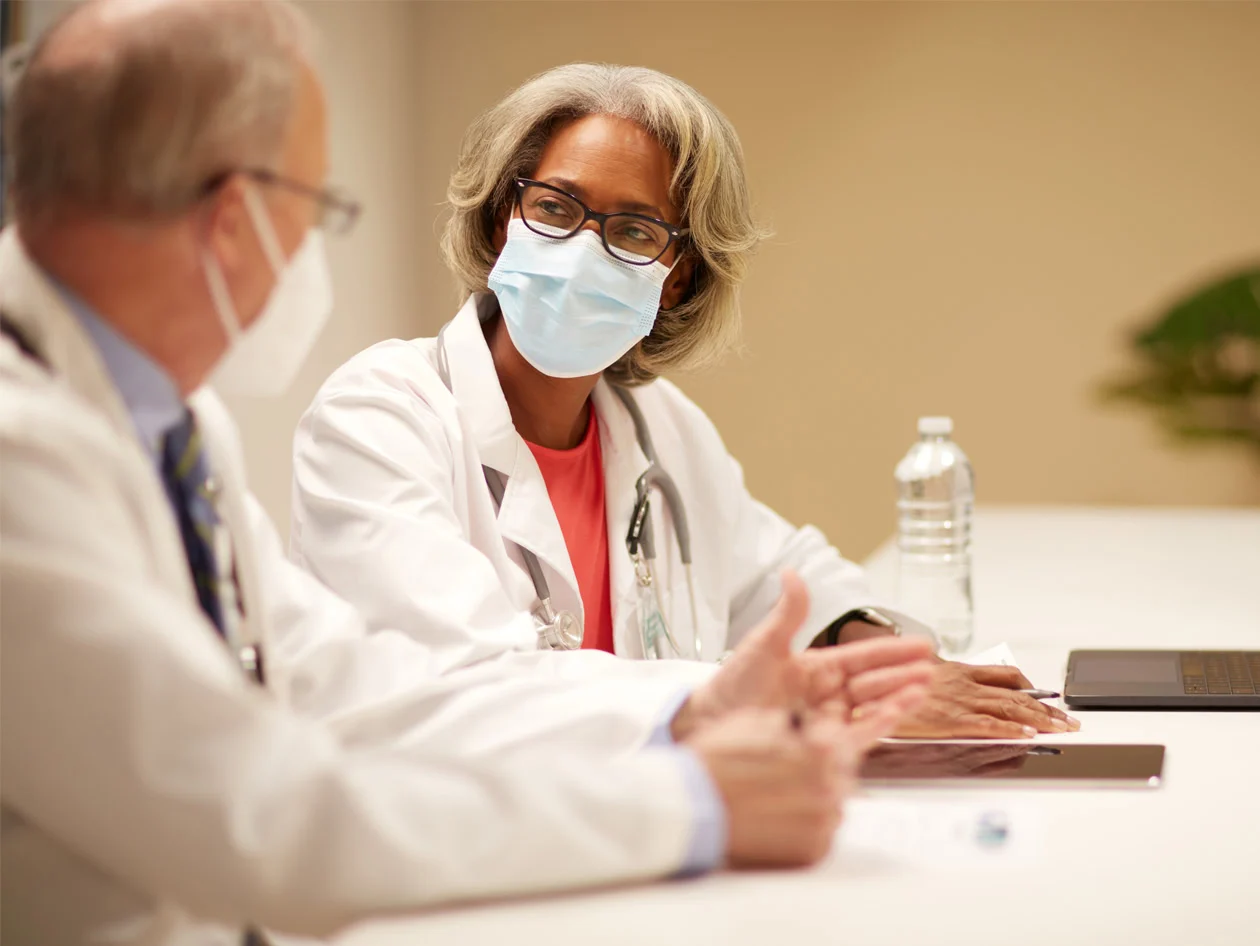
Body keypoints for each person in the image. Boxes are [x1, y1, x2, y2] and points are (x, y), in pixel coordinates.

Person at [0, 3, 935, 944]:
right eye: (318, 208)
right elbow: (266, 822)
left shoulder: (165, 422)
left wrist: (695, 703)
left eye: (637, 232)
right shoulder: (21, 457)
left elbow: (369, 683)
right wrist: (688, 804)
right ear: (237, 220)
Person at [290, 62, 1079, 740]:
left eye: (633, 231)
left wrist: (879, 661)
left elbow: (783, 581)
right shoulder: (380, 418)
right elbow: (476, 689)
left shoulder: (661, 431)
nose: (581, 249)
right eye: (556, 208)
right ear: (505, 221)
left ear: (678, 278)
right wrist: (816, 698)